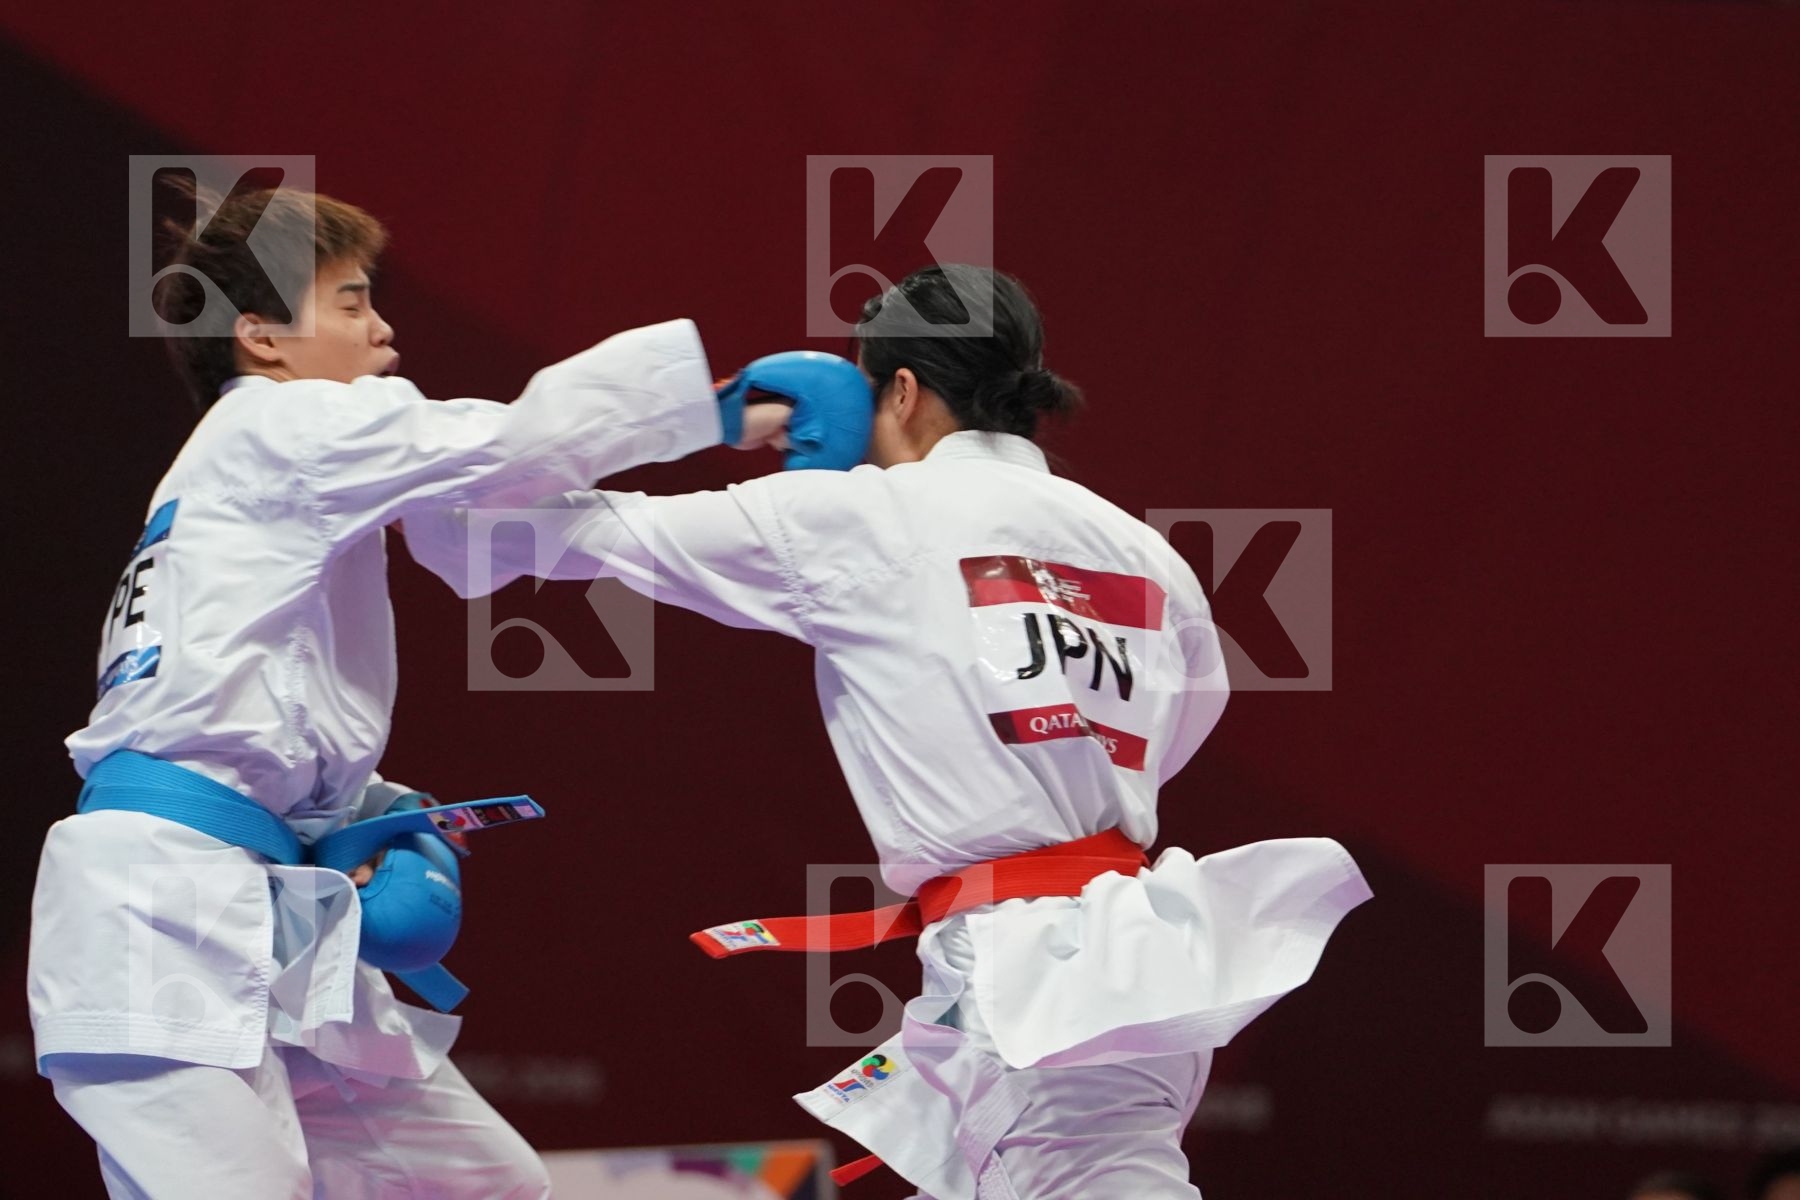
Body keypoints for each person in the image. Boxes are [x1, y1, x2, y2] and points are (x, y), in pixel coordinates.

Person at [406, 264, 1371, 1199]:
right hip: (1133, 945)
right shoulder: (1145, 552)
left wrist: (703, 414)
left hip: (1036, 973)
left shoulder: (858, 516)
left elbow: (480, 527)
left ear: (901, 390)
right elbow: (1177, 730)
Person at [27, 178, 831, 1198]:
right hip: (159, 917)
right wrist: (713, 408)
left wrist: (365, 806)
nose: (384, 327)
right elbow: (508, 445)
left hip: (250, 896)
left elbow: (452, 521)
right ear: (264, 337)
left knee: (490, 1185)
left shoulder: (255, 470)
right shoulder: (286, 429)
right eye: (353, 302)